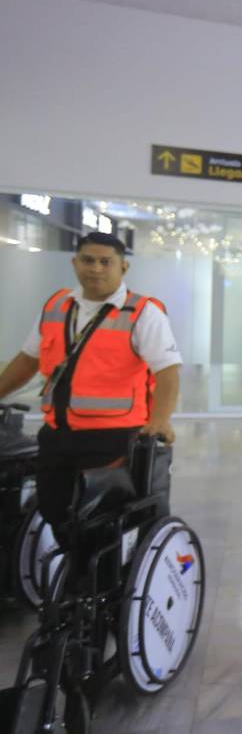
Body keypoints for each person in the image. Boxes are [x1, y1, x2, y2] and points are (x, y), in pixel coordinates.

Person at [0, 232, 182, 546]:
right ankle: (73, 577)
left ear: (123, 267)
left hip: (113, 438)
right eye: (87, 260)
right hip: (58, 433)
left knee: (100, 519)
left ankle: (93, 586)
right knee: (55, 510)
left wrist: (161, 419)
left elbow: (168, 371)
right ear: (75, 263)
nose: (95, 268)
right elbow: (27, 360)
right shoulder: (57, 306)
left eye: (105, 262)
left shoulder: (141, 313)